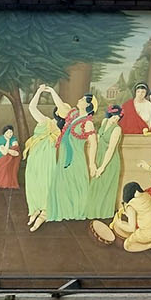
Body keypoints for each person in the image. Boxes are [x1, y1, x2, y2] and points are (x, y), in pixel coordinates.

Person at [47, 88, 96, 223]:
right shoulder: (74, 114)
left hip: (76, 159)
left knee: (75, 183)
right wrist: (52, 92)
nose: (79, 100)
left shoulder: (88, 122)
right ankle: (62, 210)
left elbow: (94, 144)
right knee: (61, 183)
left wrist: (92, 163)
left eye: (82, 99)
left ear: (87, 104)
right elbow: (61, 106)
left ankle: (74, 211)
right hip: (63, 157)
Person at [23, 86, 62, 231]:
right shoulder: (47, 121)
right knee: (34, 181)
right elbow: (32, 107)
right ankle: (34, 210)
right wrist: (41, 91)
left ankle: (43, 213)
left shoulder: (56, 127)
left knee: (45, 182)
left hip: (47, 157)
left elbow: (33, 107)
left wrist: (47, 91)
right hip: (36, 155)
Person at [100, 181, 151, 254]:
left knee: (127, 245)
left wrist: (119, 224)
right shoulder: (147, 195)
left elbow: (131, 228)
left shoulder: (131, 206)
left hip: (149, 232)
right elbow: (142, 211)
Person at [84, 105, 125, 219]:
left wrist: (102, 167)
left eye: (117, 118)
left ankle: (103, 216)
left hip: (110, 161)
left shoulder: (117, 129)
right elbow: (97, 138)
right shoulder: (104, 122)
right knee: (95, 186)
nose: (115, 120)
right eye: (113, 117)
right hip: (99, 157)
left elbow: (111, 149)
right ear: (109, 115)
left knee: (105, 188)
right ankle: (92, 214)